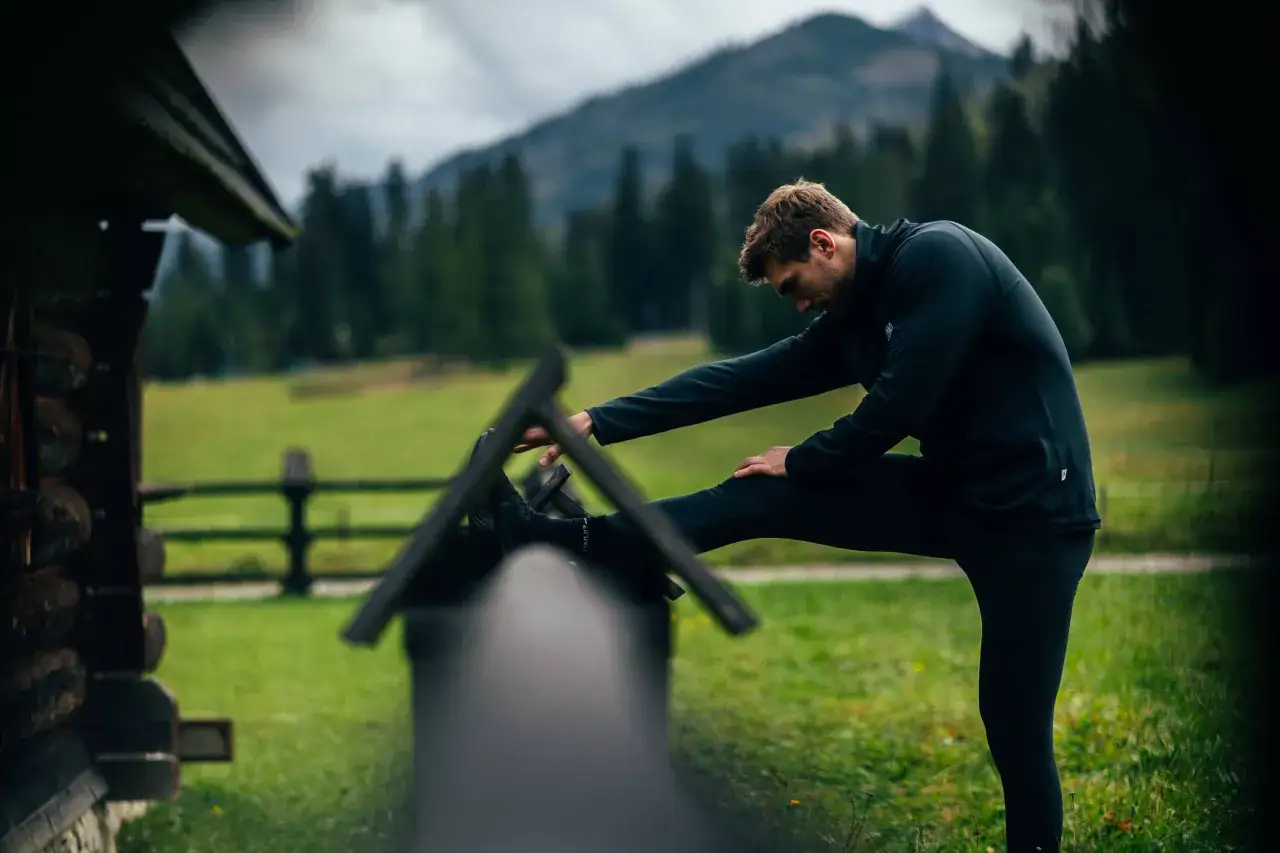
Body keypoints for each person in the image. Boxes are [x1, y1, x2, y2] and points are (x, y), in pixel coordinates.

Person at [469, 179, 1101, 853]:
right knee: (756, 492)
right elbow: (741, 378)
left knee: (1012, 721)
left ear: (824, 243)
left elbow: (897, 408)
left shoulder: (940, 261)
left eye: (793, 284)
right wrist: (592, 422)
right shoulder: (855, 313)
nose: (798, 303)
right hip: (955, 493)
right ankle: (573, 541)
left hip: (1036, 518)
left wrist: (801, 458)